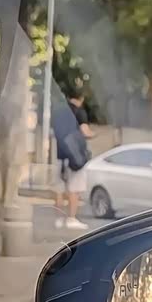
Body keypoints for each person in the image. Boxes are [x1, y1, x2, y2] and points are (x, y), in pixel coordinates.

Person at [52, 88, 93, 231]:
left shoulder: (59, 112)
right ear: (81, 98)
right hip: (75, 158)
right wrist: (93, 135)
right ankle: (71, 218)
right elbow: (85, 131)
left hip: (60, 155)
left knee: (59, 189)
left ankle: (58, 219)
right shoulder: (79, 112)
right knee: (74, 189)